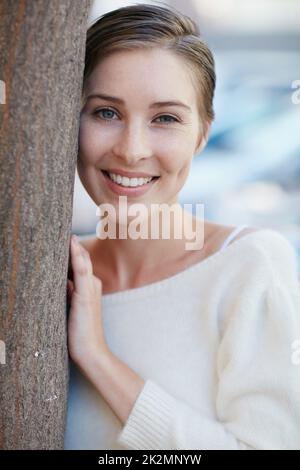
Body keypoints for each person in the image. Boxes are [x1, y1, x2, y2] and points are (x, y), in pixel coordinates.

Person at [64, 3, 300, 450]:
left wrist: (97, 357)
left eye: (165, 118)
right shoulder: (58, 272)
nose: (132, 151)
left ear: (202, 133)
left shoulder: (249, 266)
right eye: (105, 113)